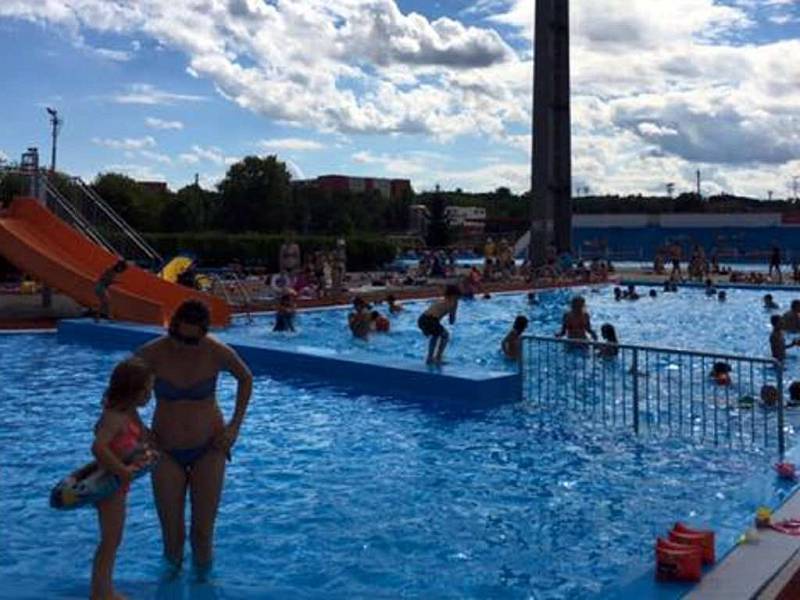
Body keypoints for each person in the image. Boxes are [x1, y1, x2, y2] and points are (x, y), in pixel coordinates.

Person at [135, 301, 253, 572]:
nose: (183, 345)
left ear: (203, 333)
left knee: (202, 535)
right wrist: (141, 431)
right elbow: (119, 393)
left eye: (192, 340)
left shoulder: (216, 351)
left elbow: (245, 378)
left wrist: (234, 427)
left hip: (209, 449)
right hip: (165, 451)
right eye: (178, 337)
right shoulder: (150, 353)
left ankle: (203, 586)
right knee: (172, 539)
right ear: (172, 327)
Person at [90, 357, 155, 600]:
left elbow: (142, 437)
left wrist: (145, 452)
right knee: (110, 540)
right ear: (132, 389)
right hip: (108, 485)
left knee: (113, 539)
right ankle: (102, 593)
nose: (150, 394)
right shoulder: (114, 417)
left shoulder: (129, 412)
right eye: (147, 389)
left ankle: (101, 590)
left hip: (118, 484)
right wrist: (122, 470)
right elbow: (98, 448)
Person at [418, 284, 460, 365]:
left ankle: (430, 358)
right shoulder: (453, 303)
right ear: (454, 295)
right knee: (445, 335)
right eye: (457, 296)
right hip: (430, 320)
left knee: (436, 335)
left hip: (422, 319)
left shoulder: (442, 301)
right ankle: (437, 358)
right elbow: (451, 320)